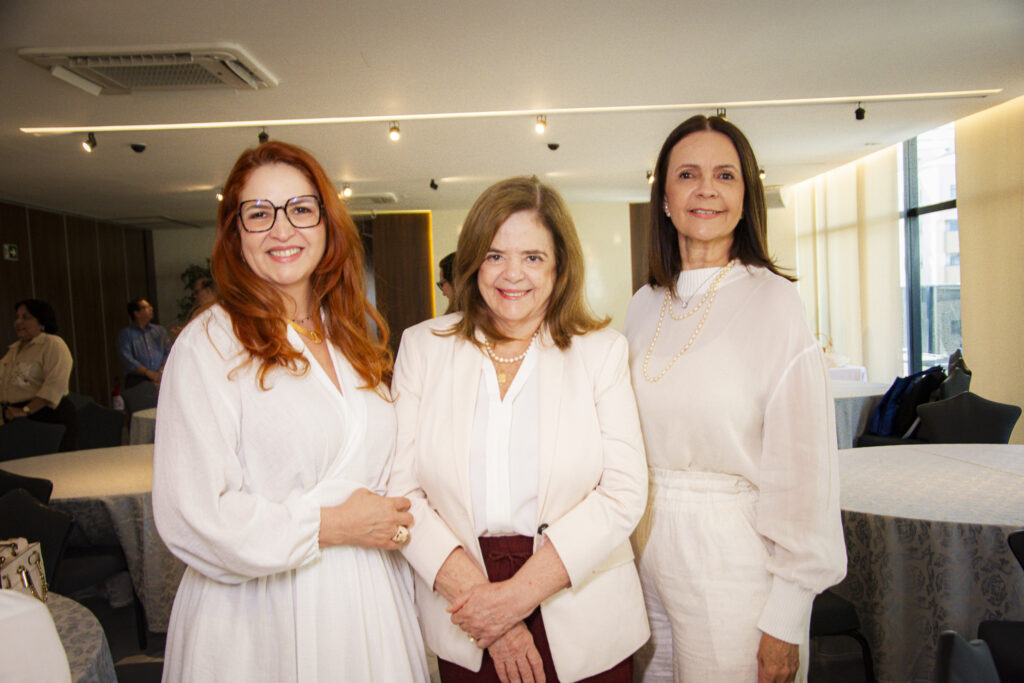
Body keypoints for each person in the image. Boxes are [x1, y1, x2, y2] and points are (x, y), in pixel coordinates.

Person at [153, 140, 429, 682]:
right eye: (259, 214)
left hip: (365, 603)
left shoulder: (350, 336)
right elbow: (193, 516)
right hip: (259, 615)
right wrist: (330, 525)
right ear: (235, 234)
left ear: (327, 225)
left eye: (301, 210)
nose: (283, 230)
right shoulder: (208, 345)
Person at [389, 176, 649, 683]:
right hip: (463, 603)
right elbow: (401, 493)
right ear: (472, 262)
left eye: (532, 257)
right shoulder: (423, 347)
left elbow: (624, 492)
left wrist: (513, 598)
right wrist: (491, 613)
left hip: (581, 600)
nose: (513, 274)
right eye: (494, 255)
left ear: (559, 266)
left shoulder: (602, 351)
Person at [623, 115, 847, 682]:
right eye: (688, 174)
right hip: (642, 547)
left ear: (746, 197)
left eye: (725, 175)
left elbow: (805, 470)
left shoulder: (774, 303)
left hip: (731, 555)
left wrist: (788, 615)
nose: (706, 189)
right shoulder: (643, 305)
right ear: (665, 198)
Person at [0, 299, 77, 451]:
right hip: (15, 419)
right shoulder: (14, 349)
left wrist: (26, 410)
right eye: (17, 317)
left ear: (42, 322)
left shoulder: (53, 343)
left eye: (25, 317)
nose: (18, 322)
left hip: (45, 418)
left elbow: (55, 384)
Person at [116, 298, 170, 387]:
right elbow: (127, 358)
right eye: (146, 307)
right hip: (137, 379)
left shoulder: (159, 331)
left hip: (160, 376)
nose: (151, 309)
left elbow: (167, 351)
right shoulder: (126, 334)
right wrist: (148, 372)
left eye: (150, 306)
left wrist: (160, 371)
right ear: (136, 313)